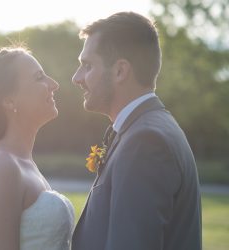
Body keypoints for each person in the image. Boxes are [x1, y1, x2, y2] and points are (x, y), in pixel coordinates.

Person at [71, 12, 202, 250]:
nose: (76, 78)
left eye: (87, 66)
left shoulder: (146, 141)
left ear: (120, 71)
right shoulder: (144, 129)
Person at [0, 47, 74, 250]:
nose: (54, 84)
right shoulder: (0, 165)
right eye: (39, 77)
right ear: (8, 100)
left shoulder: (21, 161)